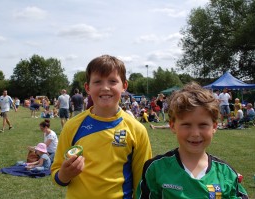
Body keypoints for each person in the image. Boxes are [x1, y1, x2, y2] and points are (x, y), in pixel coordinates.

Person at [51, 55, 152, 199]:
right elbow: (56, 171)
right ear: (88, 87)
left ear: (124, 86)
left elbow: (142, 182)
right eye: (97, 82)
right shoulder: (72, 126)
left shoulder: (137, 130)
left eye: (112, 81)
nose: (105, 88)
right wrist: (64, 175)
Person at [136, 82, 248, 198]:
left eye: (203, 125)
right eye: (187, 125)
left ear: (214, 126)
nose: (195, 134)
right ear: (173, 126)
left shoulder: (226, 174)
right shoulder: (156, 169)